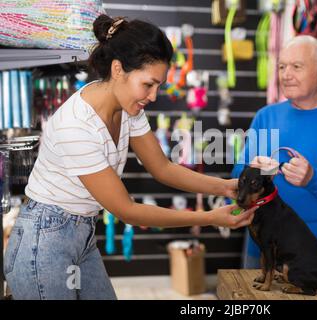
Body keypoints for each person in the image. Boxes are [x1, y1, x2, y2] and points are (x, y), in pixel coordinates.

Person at [4, 15, 256, 300]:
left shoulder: (128, 108)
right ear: (118, 69)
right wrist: (211, 217)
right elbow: (127, 210)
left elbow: (162, 168)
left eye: (158, 86)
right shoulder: (76, 125)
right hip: (44, 241)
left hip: (81, 235)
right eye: (148, 84)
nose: (153, 95)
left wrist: (224, 187)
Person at [232, 35, 317, 268]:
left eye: (296, 66)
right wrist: (252, 172)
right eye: (282, 66)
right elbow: (236, 176)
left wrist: (313, 178)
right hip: (262, 248)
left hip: (316, 252)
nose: (285, 74)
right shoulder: (265, 116)